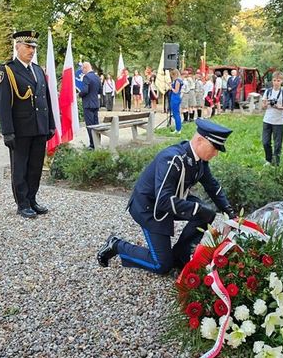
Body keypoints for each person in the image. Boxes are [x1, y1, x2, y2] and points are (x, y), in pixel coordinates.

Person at [97, 119, 236, 274]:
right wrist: (196, 208)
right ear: (199, 140)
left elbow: (212, 186)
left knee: (207, 213)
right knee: (161, 266)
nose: (216, 153)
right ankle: (116, 245)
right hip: (150, 207)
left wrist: (230, 213)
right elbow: (163, 200)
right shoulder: (172, 159)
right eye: (214, 148)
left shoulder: (199, 161)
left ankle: (179, 257)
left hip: (172, 200)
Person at [0, 30, 56, 219]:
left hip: (39, 127)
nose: (31, 50)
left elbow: (46, 100)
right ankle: (22, 203)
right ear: (17, 46)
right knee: (20, 167)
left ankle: (32, 198)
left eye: (34, 47)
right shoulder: (7, 71)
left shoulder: (37, 70)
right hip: (20, 129)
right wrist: (7, 131)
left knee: (35, 166)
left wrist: (50, 124)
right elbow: (2, 104)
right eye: (28, 47)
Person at [261, 71, 283, 166]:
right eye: (274, 80)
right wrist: (266, 104)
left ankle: (276, 162)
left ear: (282, 81)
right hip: (267, 119)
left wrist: (279, 106)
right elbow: (263, 105)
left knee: (278, 144)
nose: (276, 82)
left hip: (278, 121)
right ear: (272, 81)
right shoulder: (268, 91)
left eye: (278, 80)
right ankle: (268, 160)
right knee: (265, 142)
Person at [80, 61, 102, 149]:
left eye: (82, 69)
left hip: (88, 104)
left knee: (90, 125)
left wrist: (79, 94)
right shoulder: (97, 77)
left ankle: (92, 145)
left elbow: (85, 90)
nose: (82, 71)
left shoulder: (86, 77)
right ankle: (98, 143)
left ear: (85, 68)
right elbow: (100, 90)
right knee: (96, 124)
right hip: (95, 103)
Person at [169, 68, 183, 134]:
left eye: (172, 75)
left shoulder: (177, 81)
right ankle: (177, 128)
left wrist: (171, 87)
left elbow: (176, 91)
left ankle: (178, 129)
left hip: (175, 97)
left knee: (176, 114)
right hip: (175, 97)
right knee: (175, 113)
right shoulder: (178, 80)